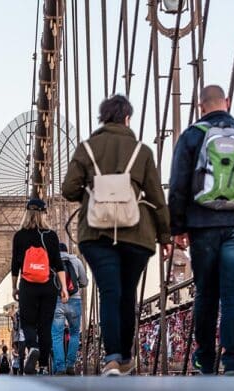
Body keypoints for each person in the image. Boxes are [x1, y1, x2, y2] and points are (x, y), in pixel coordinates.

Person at [63, 94, 171, 376]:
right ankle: (124, 356)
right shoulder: (142, 151)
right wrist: (166, 236)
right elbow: (157, 197)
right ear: (127, 118)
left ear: (102, 119)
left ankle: (112, 357)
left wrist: (93, 187)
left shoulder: (86, 149)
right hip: (136, 235)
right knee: (127, 294)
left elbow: (68, 190)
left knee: (109, 292)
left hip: (96, 234)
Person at [168, 85, 234, 376]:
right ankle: (231, 361)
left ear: (201, 106)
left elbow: (177, 185)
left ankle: (204, 358)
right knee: (233, 292)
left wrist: (177, 227)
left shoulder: (191, 136)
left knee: (206, 292)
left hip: (202, 226)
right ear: (227, 103)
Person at [11, 198, 70, 375]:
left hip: (28, 285)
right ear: (44, 213)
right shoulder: (51, 235)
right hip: (48, 286)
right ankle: (43, 366)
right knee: (45, 326)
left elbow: (15, 265)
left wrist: (14, 287)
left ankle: (33, 347)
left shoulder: (20, 236)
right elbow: (58, 264)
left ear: (26, 212)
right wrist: (64, 288)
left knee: (28, 323)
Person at [51, 242, 88, 376]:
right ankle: (70, 365)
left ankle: (60, 367)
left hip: (57, 300)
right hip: (74, 300)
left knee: (56, 336)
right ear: (67, 250)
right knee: (74, 333)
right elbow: (84, 282)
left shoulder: (51, 260)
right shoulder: (76, 260)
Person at [11, 309, 26, 374]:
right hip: (29, 335)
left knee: (21, 356)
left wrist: (13, 320)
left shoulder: (17, 313)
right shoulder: (30, 308)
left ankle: (21, 371)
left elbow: (16, 327)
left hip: (20, 338)